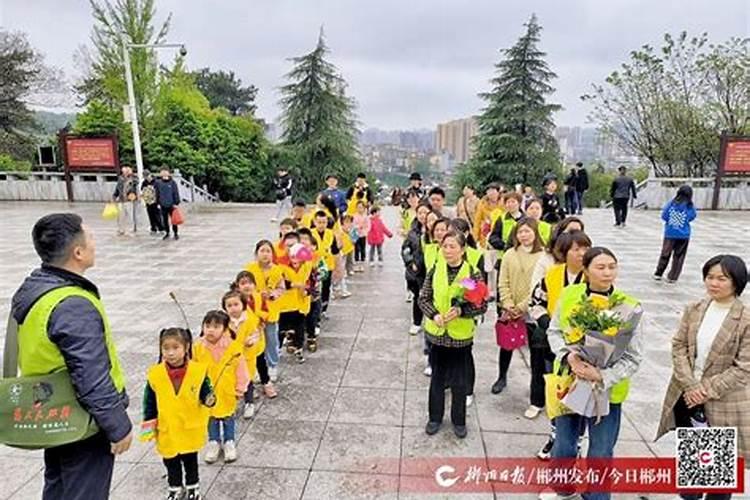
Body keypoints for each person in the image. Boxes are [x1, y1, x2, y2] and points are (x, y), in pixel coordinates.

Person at [11, 213, 132, 500]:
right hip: (82, 422)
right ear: (78, 252)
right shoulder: (72, 304)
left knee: (59, 487)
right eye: (90, 237)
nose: (95, 242)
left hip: (53, 410)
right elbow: (90, 376)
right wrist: (118, 426)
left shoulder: (37, 289)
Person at [548, 247, 644, 500]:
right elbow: (555, 331)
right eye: (601, 267)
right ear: (586, 270)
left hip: (606, 392)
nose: (608, 272)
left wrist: (602, 375)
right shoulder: (570, 295)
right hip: (571, 384)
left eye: (612, 266)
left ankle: (596, 496)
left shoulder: (628, 307)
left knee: (601, 451)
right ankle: (563, 488)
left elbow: (633, 357)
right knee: (564, 447)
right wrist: (569, 356)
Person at [656, 254, 749, 500]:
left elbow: (744, 367)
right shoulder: (694, 309)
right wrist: (690, 385)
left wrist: (703, 391)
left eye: (722, 278)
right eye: (710, 277)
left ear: (737, 282)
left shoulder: (746, 319)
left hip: (723, 403)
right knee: (692, 476)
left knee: (718, 481)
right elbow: (679, 347)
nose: (714, 283)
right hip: (688, 397)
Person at [529, 231, 592, 459]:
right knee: (557, 395)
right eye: (576, 249)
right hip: (554, 346)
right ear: (564, 252)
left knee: (580, 399)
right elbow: (535, 303)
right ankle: (554, 437)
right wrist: (549, 324)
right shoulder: (553, 275)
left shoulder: (593, 278)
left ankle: (576, 443)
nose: (582, 254)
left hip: (585, 352)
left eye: (586, 248)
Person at [419, 231, 488, 439]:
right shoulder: (435, 269)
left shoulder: (470, 273)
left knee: (459, 380)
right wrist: (434, 315)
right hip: (438, 334)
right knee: (437, 379)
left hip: (460, 336)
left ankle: (459, 420)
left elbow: (481, 305)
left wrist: (461, 311)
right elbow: (423, 298)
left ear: (463, 249)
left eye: (452, 246)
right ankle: (435, 418)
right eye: (445, 246)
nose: (447, 250)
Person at [141, 328, 214, 500]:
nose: (170, 353)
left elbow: (206, 391)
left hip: (189, 426)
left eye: (175, 347)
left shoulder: (198, 371)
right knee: (170, 459)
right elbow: (149, 402)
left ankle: (192, 486)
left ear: (186, 347)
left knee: (190, 459)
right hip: (167, 426)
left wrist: (209, 399)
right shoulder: (155, 374)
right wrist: (148, 427)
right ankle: (174, 486)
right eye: (166, 348)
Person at [492, 218, 545, 394]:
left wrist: (522, 307)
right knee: (506, 345)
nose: (523, 235)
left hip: (532, 311)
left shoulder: (543, 256)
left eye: (527, 231)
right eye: (520, 232)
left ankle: (536, 386)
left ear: (535, 233)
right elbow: (503, 281)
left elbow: (540, 286)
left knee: (535, 349)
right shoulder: (509, 254)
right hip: (510, 308)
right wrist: (508, 304)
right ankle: (501, 376)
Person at [192, 310, 248, 464]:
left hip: (227, 390)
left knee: (228, 416)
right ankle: (214, 442)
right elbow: (192, 369)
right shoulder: (197, 347)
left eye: (216, 326)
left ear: (224, 329)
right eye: (207, 325)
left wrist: (240, 387)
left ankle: (229, 441)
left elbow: (241, 369)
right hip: (207, 392)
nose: (210, 330)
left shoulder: (233, 347)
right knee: (211, 417)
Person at [244, 240, 286, 381]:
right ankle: (256, 367)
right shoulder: (250, 269)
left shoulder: (277, 270)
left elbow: (282, 288)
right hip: (253, 311)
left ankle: (272, 365)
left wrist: (273, 294)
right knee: (255, 339)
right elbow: (242, 285)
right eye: (262, 251)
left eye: (268, 251)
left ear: (272, 254)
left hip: (270, 311)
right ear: (256, 254)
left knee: (271, 339)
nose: (265, 254)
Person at [222, 288, 265, 420]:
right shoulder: (224, 322)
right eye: (229, 305)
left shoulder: (249, 320)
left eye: (236, 304)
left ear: (243, 305)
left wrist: (250, 342)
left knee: (247, 379)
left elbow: (255, 335)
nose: (233, 308)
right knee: (233, 379)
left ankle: (249, 402)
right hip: (231, 357)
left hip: (246, 356)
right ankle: (232, 402)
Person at [277, 241, 314, 362]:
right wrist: (294, 285)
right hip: (284, 304)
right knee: (281, 329)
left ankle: (299, 348)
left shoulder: (308, 266)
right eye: (293, 257)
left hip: (300, 303)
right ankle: (277, 350)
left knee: (299, 327)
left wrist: (307, 291)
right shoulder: (281, 266)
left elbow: (311, 282)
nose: (295, 260)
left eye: (298, 258)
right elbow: (278, 282)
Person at [654, 185, 697, 284]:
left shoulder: (671, 204)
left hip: (670, 233)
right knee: (679, 256)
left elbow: (664, 216)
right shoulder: (690, 206)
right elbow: (692, 216)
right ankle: (673, 276)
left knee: (665, 253)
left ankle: (658, 273)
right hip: (684, 235)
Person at [531, 216, 585, 290]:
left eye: (578, 231)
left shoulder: (586, 259)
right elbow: (535, 287)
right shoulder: (547, 258)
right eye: (571, 231)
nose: (575, 235)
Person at [402, 203, 431, 336]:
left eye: (425, 212)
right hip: (416, 271)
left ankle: (432, 322)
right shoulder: (413, 231)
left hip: (432, 270)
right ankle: (417, 322)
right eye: (420, 213)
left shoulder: (437, 230)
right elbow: (405, 249)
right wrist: (410, 262)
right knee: (418, 297)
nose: (422, 216)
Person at [155, 167, 181, 240]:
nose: (164, 173)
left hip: (171, 204)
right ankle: (167, 232)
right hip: (162, 204)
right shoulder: (158, 183)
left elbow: (175, 193)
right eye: (162, 172)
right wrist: (157, 203)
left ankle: (175, 233)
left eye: (165, 172)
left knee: (174, 220)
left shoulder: (172, 182)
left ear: (168, 173)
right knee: (164, 220)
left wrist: (176, 203)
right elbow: (157, 193)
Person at [112, 165, 138, 236]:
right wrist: (114, 196)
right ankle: (121, 230)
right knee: (120, 216)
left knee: (131, 216)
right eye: (123, 172)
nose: (125, 173)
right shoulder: (120, 179)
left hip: (130, 200)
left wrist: (131, 174)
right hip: (121, 200)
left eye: (126, 171)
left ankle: (131, 230)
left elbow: (137, 182)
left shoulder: (132, 178)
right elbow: (117, 188)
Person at [141, 170, 163, 234]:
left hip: (156, 202)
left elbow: (159, 192)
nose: (146, 178)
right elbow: (142, 190)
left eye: (147, 176)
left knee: (157, 215)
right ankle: (153, 228)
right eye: (145, 177)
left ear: (150, 175)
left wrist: (159, 202)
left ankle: (161, 228)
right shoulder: (144, 183)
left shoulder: (156, 182)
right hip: (148, 201)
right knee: (151, 216)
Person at [352, 201, 370, 272]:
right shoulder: (354, 216)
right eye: (358, 207)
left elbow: (368, 226)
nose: (360, 209)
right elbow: (353, 225)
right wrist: (357, 227)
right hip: (356, 235)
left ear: (364, 208)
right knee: (356, 249)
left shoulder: (366, 217)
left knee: (362, 249)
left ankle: (362, 264)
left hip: (363, 235)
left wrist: (365, 231)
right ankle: (356, 264)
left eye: (361, 207)